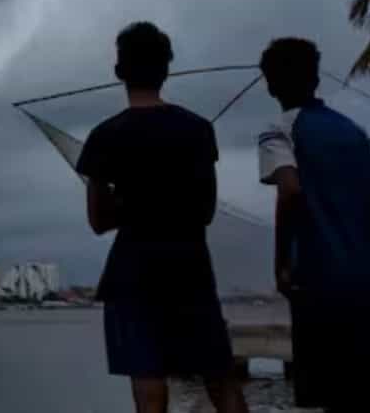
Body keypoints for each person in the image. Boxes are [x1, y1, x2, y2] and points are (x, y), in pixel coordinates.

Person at [76, 22, 248, 413]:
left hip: (133, 272)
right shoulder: (198, 130)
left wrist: (129, 202)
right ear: (167, 69)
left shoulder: (104, 136)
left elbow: (98, 221)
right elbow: (205, 211)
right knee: (220, 378)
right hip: (190, 268)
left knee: (149, 386)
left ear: (119, 72)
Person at [256, 37, 370, 412]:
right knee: (359, 396)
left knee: (327, 397)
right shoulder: (355, 133)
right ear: (316, 79)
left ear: (269, 84)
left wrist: (281, 264)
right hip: (368, 283)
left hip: (318, 283)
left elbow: (289, 192)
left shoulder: (278, 131)